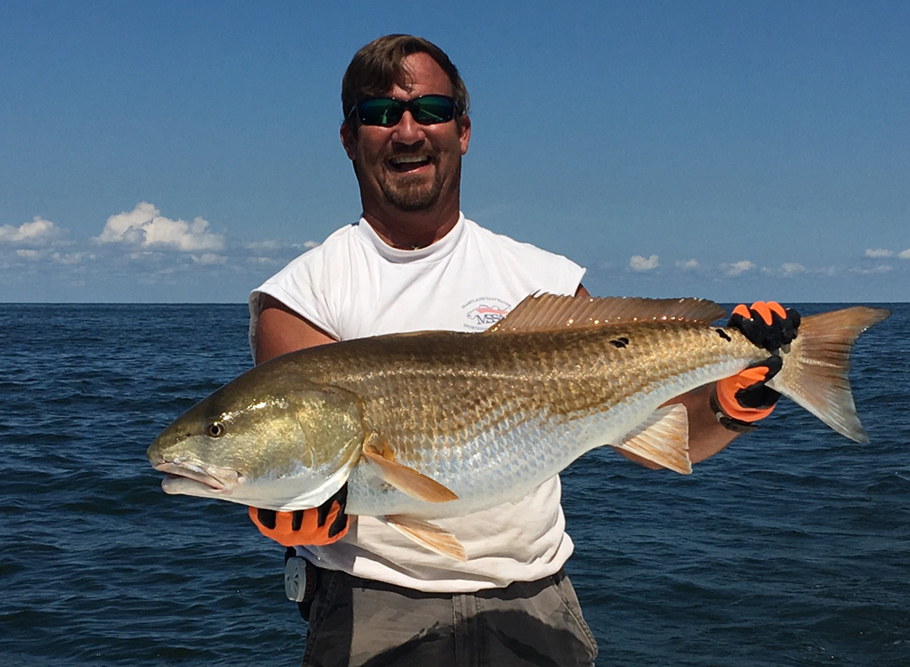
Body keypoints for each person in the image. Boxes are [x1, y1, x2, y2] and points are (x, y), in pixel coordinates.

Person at [246, 34, 797, 667]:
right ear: (349, 137)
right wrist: (294, 508)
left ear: (464, 129)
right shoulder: (301, 295)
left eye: (430, 110)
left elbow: (668, 441)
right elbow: (301, 464)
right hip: (373, 610)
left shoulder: (546, 280)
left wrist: (735, 402)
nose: (407, 131)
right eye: (379, 113)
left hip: (537, 604)